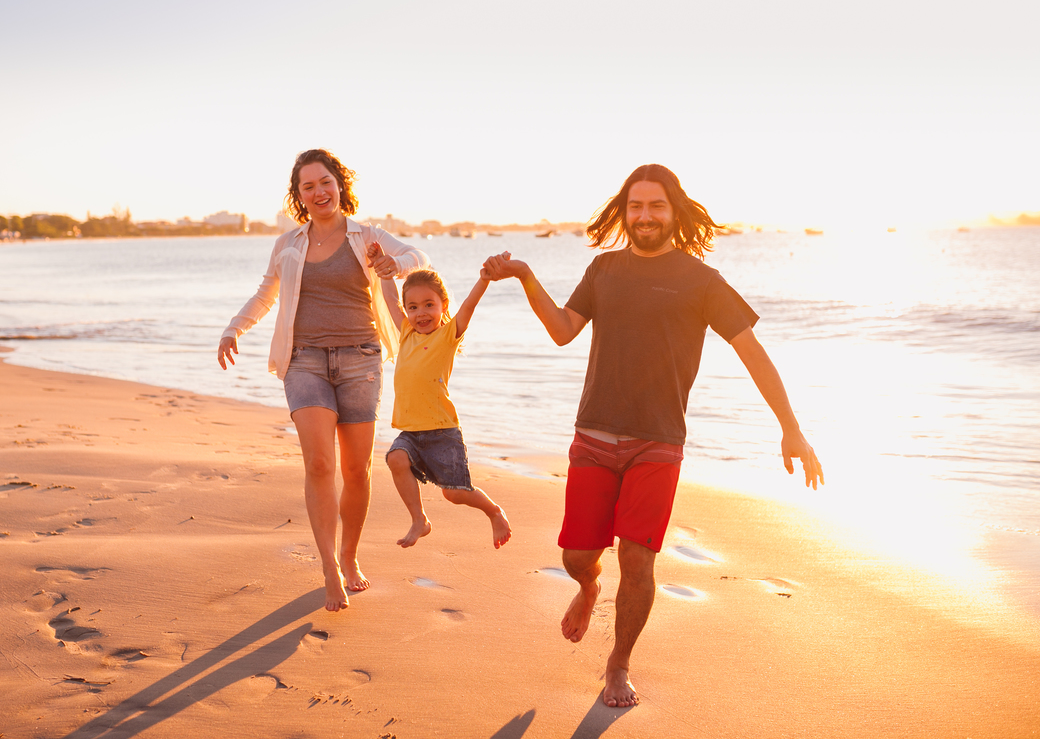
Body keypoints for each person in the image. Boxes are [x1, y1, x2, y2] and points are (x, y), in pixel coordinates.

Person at [482, 163, 823, 708]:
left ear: (674, 212)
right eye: (635, 206)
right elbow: (563, 330)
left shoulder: (701, 280)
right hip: (593, 435)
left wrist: (791, 428)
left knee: (638, 561)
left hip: (658, 442)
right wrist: (525, 275)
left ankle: (618, 664)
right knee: (576, 556)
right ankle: (588, 588)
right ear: (624, 212)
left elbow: (752, 352)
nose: (645, 216)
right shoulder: (604, 270)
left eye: (656, 206)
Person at [217, 149, 428, 612]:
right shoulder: (289, 244)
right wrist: (235, 327)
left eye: (325, 181)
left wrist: (397, 266)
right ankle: (330, 567)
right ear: (299, 195)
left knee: (356, 470)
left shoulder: (366, 236)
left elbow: (417, 255)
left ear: (339, 184)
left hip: (361, 359)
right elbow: (265, 293)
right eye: (308, 185)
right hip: (305, 360)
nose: (318, 191)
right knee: (318, 464)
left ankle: (350, 557)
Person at [366, 248, 512, 550]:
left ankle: (494, 511)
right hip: (412, 431)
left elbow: (469, 307)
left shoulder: (446, 336)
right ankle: (419, 519)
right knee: (396, 459)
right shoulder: (405, 333)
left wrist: (483, 280)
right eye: (414, 307)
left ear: (443, 306)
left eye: (429, 305)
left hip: (442, 432)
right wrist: (383, 269)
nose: (421, 313)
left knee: (454, 493)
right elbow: (390, 296)